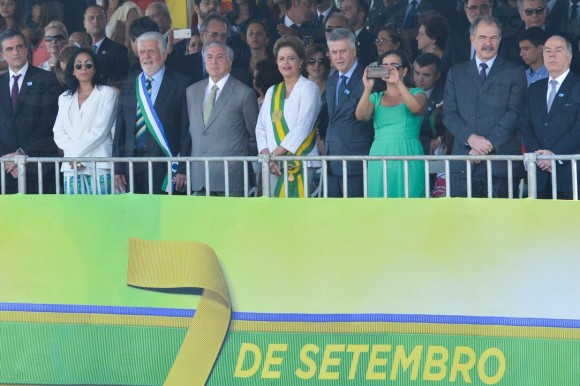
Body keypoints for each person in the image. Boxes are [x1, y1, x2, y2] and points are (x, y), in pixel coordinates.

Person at [443, 15, 527, 197]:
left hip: (501, 164)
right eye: (482, 37)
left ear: (500, 40)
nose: (488, 43)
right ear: (472, 39)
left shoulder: (515, 72)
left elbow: (515, 113)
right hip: (464, 164)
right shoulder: (456, 73)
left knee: (501, 223)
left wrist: (486, 145)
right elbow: (449, 114)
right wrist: (471, 139)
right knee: (463, 222)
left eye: (493, 37)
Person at [113, 31, 193, 194]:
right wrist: (118, 167)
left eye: (151, 51)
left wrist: (183, 167)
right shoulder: (129, 84)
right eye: (142, 52)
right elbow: (121, 128)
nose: (146, 56)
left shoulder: (182, 84)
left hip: (166, 166)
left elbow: (187, 130)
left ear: (163, 54)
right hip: (132, 166)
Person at [186, 42, 258, 196]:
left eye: (219, 57)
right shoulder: (192, 91)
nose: (214, 61)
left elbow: (254, 136)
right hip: (199, 178)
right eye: (209, 57)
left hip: (231, 178)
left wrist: (238, 160)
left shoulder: (244, 93)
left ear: (230, 62)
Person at [255, 35, 321, 197]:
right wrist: (267, 157)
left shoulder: (309, 89)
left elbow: (302, 128)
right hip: (272, 165)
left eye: (291, 58)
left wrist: (273, 156)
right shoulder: (272, 92)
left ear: (300, 62)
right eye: (281, 59)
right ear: (277, 63)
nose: (286, 63)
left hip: (301, 162)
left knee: (297, 216)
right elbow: (261, 128)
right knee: (273, 214)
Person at [356, 49, 427, 198]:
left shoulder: (418, 92)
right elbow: (361, 115)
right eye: (384, 66)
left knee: (411, 202)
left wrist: (399, 84)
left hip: (409, 152)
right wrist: (367, 88)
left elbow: (416, 108)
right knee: (379, 203)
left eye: (394, 66)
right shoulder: (376, 97)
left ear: (405, 71)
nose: (389, 69)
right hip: (380, 154)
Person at [0, 29, 61, 194]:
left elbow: (49, 123)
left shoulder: (47, 80)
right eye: (9, 49)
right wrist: (6, 159)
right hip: (5, 171)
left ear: (27, 49)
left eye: (19, 47)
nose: (16, 52)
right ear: (2, 54)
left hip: (38, 170)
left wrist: (20, 154)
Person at [520, 35, 580, 199]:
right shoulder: (534, 88)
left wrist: (554, 155)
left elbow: (577, 130)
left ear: (569, 57)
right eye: (547, 51)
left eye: (558, 50)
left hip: (570, 175)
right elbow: (525, 124)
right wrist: (540, 156)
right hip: (539, 175)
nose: (552, 55)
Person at [53, 48, 118, 194]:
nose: (83, 68)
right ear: (73, 71)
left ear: (95, 69)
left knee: (102, 213)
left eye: (88, 64)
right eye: (78, 65)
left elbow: (101, 131)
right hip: (71, 167)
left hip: (99, 164)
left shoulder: (107, 93)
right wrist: (74, 158)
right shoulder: (64, 98)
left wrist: (74, 155)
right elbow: (58, 131)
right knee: (75, 214)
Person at [324, 28, 374, 197]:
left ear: (353, 51)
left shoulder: (368, 79)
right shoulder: (331, 81)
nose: (338, 57)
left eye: (343, 51)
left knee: (356, 220)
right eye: (334, 52)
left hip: (356, 164)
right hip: (331, 162)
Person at [83, 5, 129, 87]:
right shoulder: (79, 49)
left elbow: (119, 81)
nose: (95, 21)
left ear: (106, 21)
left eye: (100, 17)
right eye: (91, 18)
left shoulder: (118, 50)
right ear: (84, 23)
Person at [446, 0, 493, 65]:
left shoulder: (503, 39)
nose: (478, 12)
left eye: (484, 7)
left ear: (491, 8)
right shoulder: (455, 38)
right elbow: (445, 70)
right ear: (465, 10)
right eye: (473, 7)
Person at [303, 44, 330, 153]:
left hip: (325, 141)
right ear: (305, 64)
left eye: (321, 61)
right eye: (311, 61)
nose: (316, 65)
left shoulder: (332, 87)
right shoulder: (298, 87)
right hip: (303, 141)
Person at [340, 0, 376, 66]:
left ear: (361, 15)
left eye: (347, 8)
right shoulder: (338, 38)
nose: (342, 13)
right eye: (341, 9)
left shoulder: (370, 42)